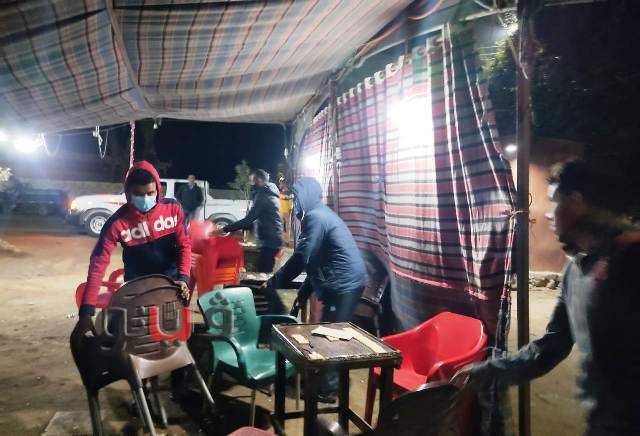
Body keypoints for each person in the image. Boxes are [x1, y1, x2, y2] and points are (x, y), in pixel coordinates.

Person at [451, 160, 640, 436]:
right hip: (603, 424)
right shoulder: (575, 271)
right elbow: (552, 346)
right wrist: (485, 371)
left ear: (575, 203)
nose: (549, 215)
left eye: (554, 202)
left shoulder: (630, 260)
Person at [72, 161, 192, 398]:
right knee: (138, 343)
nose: (145, 198)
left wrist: (184, 278)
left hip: (170, 289)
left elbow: (184, 246)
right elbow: (97, 265)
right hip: (137, 293)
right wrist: (86, 311)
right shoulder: (117, 223)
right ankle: (142, 393)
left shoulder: (173, 209)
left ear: (158, 189)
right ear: (128, 193)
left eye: (150, 193)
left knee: (177, 337)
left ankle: (179, 389)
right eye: (138, 194)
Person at [263, 176, 367, 403]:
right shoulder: (320, 214)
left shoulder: (316, 217)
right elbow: (315, 260)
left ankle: (327, 391)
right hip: (342, 281)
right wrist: (303, 293)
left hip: (344, 284)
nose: (295, 202)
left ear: (307, 195)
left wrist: (275, 281)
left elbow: (302, 256)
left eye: (296, 197)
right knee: (329, 330)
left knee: (332, 334)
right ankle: (326, 378)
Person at [219, 169, 284, 272]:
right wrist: (237, 229)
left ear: (259, 180)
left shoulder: (263, 196)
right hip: (273, 239)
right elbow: (262, 219)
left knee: (263, 272)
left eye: (253, 180)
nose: (252, 184)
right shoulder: (270, 193)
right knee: (262, 269)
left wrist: (224, 229)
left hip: (270, 241)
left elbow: (249, 219)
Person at [278, 177, 293, 242]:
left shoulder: (288, 192)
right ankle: (283, 239)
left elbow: (290, 202)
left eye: (281, 183)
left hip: (286, 211)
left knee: (287, 225)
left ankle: (287, 240)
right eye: (280, 183)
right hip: (281, 211)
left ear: (284, 183)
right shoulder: (280, 191)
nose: (280, 184)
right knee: (281, 225)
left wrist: (290, 212)